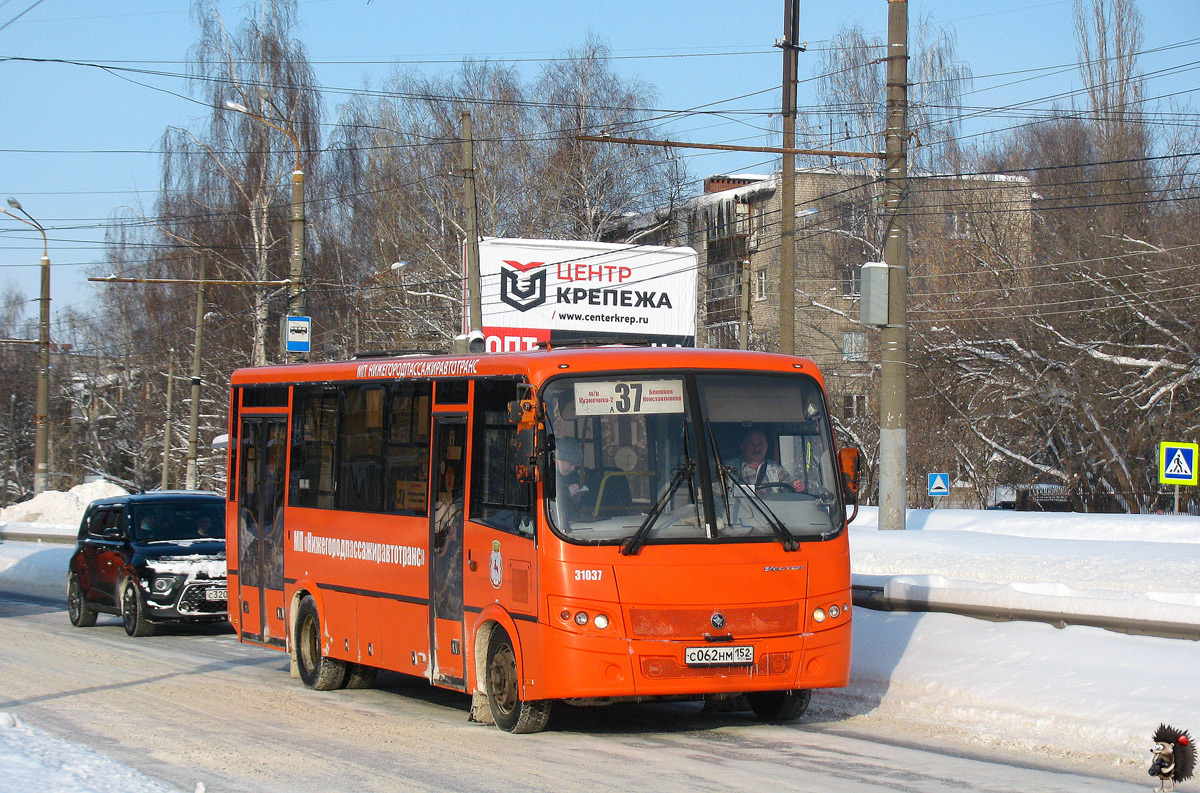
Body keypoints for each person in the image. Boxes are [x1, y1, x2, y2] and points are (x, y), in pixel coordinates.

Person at [730, 428, 806, 493]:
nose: (756, 448)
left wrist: (798, 486)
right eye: (751, 443)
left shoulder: (776, 469)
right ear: (742, 447)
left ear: (766, 446)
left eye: (760, 443)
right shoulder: (727, 469)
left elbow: (790, 484)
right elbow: (719, 495)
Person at [553, 437, 588, 525]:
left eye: (575, 465)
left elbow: (572, 513)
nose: (573, 469)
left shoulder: (571, 476)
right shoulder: (544, 475)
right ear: (558, 459)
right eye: (571, 464)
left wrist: (576, 500)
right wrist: (568, 492)